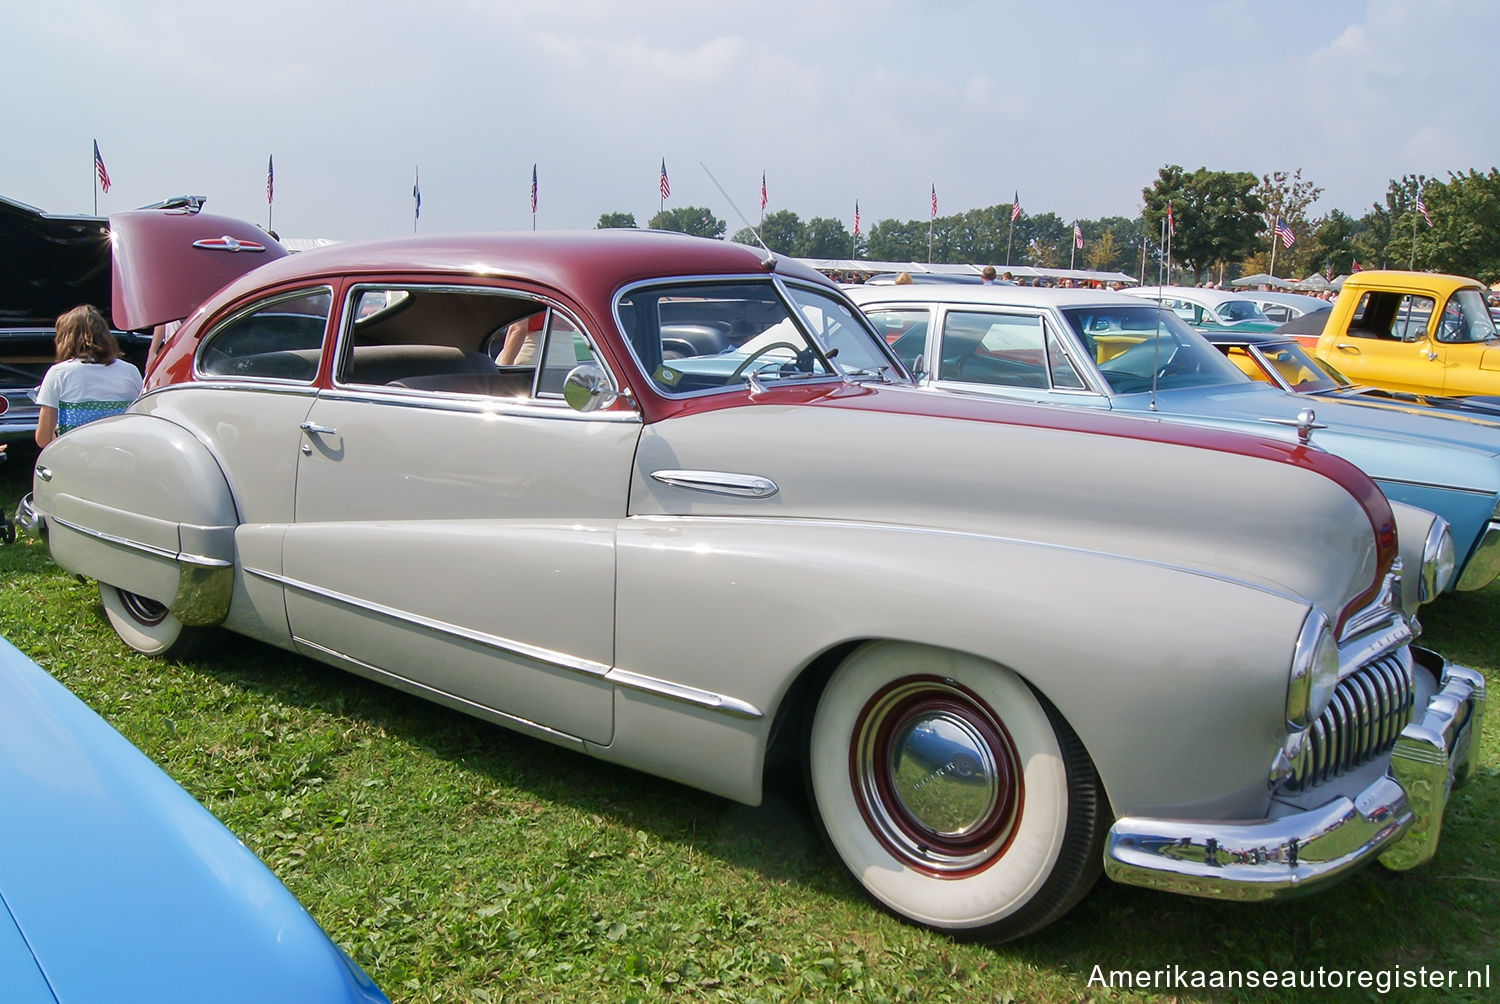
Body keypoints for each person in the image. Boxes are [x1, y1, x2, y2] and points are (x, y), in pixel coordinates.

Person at [34, 305, 143, 448]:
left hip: (77, 456)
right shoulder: (130, 371)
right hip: (120, 455)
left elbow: (44, 439)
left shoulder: (58, 373)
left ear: (65, 338)